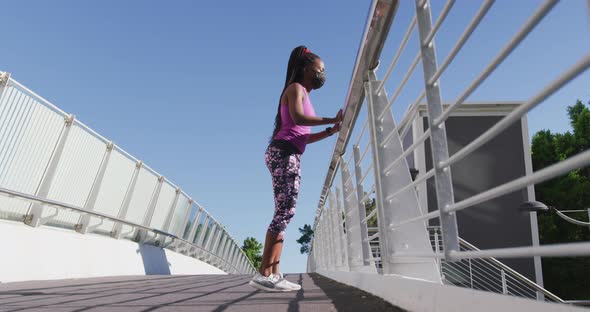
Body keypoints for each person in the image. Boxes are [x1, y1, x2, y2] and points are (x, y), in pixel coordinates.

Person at [249, 46, 342, 292]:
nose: (322, 74)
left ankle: (274, 273)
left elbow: (302, 136)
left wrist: (330, 132)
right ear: (304, 69)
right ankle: (264, 273)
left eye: (323, 70)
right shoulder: (295, 89)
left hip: (289, 151)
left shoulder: (304, 94)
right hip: (283, 153)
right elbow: (299, 119)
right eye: (318, 69)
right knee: (284, 211)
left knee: (286, 211)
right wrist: (332, 119)